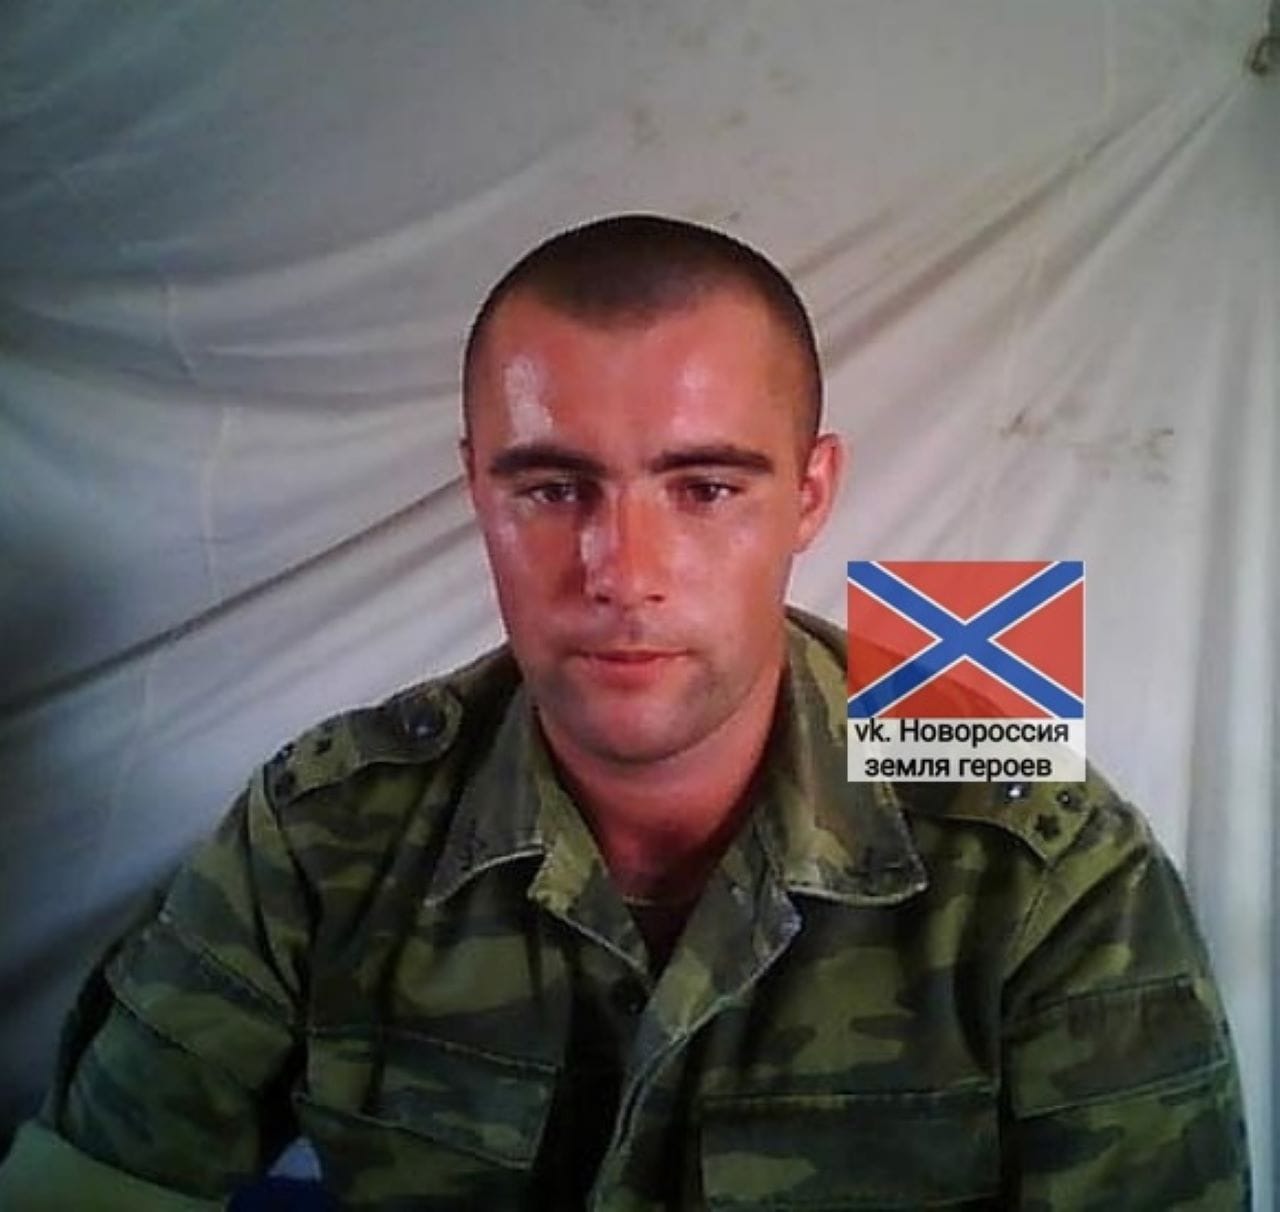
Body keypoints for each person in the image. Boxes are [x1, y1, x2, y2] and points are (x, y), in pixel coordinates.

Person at [0, 215, 1250, 1210]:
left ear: (810, 494)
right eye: (551, 488)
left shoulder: (1038, 863)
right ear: (476, 490)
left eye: (703, 488)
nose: (620, 571)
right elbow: (98, 1182)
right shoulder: (326, 834)